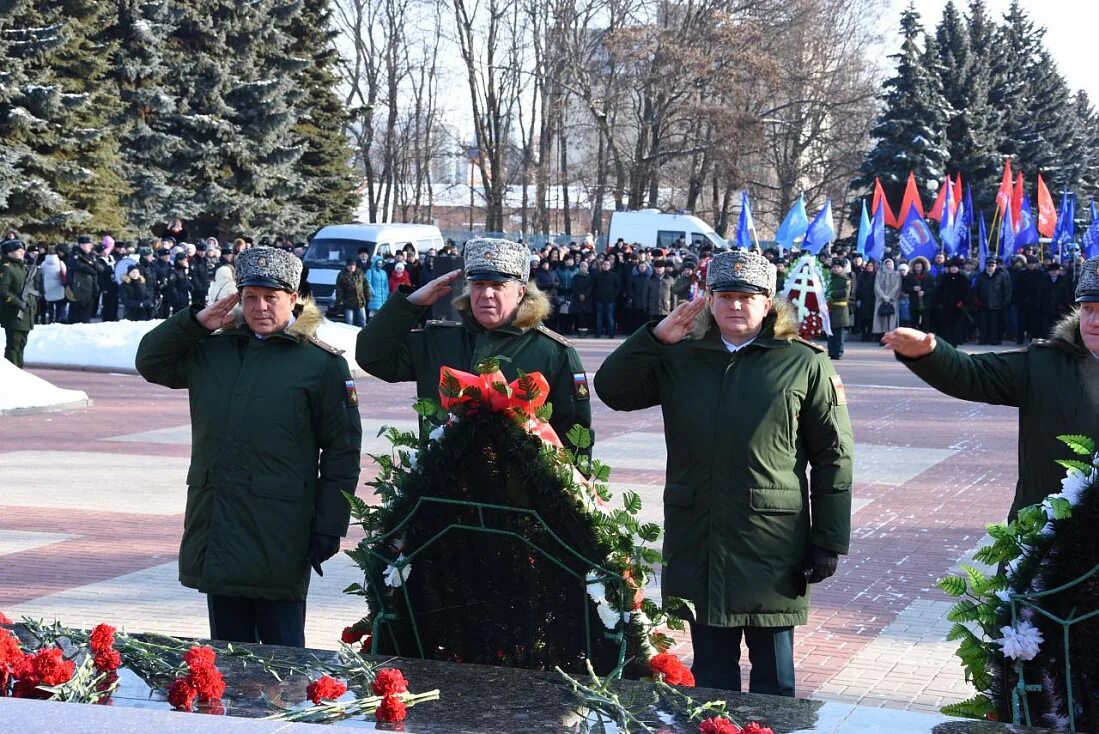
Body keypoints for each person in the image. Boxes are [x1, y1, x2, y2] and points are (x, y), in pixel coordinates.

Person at [593, 249, 853, 696]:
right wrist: (655, 338)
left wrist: (828, 539)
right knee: (711, 678)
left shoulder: (803, 362)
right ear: (709, 300)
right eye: (726, 295)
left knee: (774, 679)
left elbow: (834, 454)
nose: (736, 305)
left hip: (771, 542)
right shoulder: (682, 358)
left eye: (747, 296)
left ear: (768, 302)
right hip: (699, 536)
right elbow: (612, 390)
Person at [135, 246, 363, 647]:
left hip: (281, 531)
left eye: (271, 297)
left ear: (293, 299)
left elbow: (342, 452)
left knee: (283, 657)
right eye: (250, 296)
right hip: (219, 521)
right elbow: (151, 362)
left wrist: (329, 526)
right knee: (226, 652)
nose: (260, 307)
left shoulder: (321, 365)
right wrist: (195, 323)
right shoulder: (213, 351)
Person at [882, 255, 1099, 521]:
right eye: (1088, 309)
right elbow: (974, 374)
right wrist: (931, 355)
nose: (1093, 321)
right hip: (1044, 533)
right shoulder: (1045, 364)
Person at [355, 237, 593, 455]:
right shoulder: (438, 341)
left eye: (498, 285)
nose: (486, 293)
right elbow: (372, 356)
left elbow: (575, 439)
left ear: (520, 292)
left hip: (519, 496)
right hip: (440, 492)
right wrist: (411, 303)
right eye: (478, 284)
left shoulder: (552, 352)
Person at [0, 239, 38, 367]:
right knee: (13, 346)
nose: (22, 252)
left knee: (21, 344)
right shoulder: (7, 268)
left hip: (26, 313)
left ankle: (19, 370)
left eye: (22, 249)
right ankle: (11, 373)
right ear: (9, 253)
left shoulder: (24, 267)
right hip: (13, 313)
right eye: (18, 250)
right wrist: (17, 302)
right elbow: (2, 291)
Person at [827, 258, 853, 360]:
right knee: (830, 332)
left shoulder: (846, 280)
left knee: (839, 333)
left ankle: (839, 352)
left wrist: (832, 294)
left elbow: (845, 294)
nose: (836, 269)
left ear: (842, 268)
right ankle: (831, 351)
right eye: (834, 267)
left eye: (838, 267)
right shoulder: (829, 279)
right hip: (830, 308)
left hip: (840, 309)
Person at [872, 258, 902, 337]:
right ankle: (882, 335)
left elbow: (898, 286)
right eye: (887, 264)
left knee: (892, 318)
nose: (888, 266)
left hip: (893, 300)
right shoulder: (879, 273)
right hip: (881, 300)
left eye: (890, 264)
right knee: (881, 317)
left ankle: (891, 336)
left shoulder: (897, 274)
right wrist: (883, 296)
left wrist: (890, 297)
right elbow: (876, 285)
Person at [335, 257, 367, 327]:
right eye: (350, 265)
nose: (352, 267)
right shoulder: (342, 275)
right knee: (349, 321)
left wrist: (367, 297)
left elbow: (366, 285)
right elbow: (339, 289)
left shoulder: (360, 273)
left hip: (360, 301)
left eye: (353, 265)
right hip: (348, 303)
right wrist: (340, 301)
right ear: (347, 266)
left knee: (363, 320)